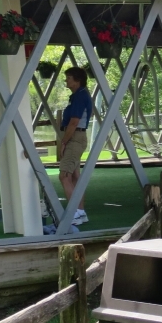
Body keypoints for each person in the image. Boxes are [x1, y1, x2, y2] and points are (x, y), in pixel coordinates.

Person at [58, 66, 92, 226]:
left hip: (75, 138)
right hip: (78, 136)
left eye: (69, 78)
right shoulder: (79, 95)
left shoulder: (79, 96)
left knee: (64, 175)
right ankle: (81, 211)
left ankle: (75, 213)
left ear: (77, 80)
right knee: (74, 176)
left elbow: (73, 122)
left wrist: (64, 142)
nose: (66, 81)